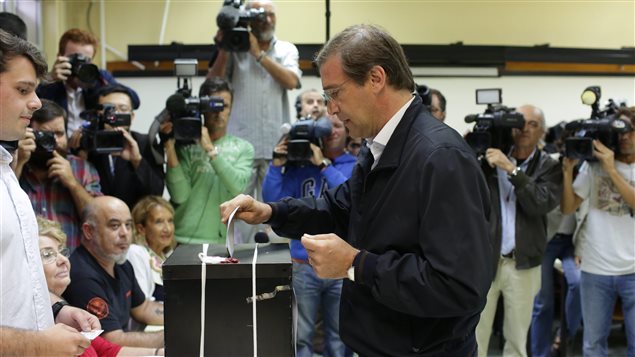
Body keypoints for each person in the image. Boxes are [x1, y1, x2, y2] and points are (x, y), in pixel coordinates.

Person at [220, 24, 492, 356]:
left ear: (376, 78)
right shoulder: (379, 148)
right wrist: (271, 211)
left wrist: (355, 264)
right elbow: (338, 209)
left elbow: (459, 287)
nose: (330, 109)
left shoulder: (441, 158)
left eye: (335, 92)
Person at [0, 28, 98, 356]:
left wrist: (54, 311)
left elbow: (14, 276)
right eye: (23, 89)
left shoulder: (5, 168)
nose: (37, 102)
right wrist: (38, 343)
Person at [262, 92, 355, 356]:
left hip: (340, 266)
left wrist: (323, 165)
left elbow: (352, 197)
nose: (333, 132)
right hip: (303, 265)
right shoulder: (297, 166)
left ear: (347, 129)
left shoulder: (352, 165)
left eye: (338, 126)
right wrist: (276, 163)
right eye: (329, 128)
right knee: (301, 336)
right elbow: (271, 200)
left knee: (338, 336)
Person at [475, 105, 562, 357]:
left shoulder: (549, 166)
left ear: (542, 132)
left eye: (532, 124)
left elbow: (540, 203)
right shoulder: (487, 160)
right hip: (486, 261)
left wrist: (512, 170)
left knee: (516, 339)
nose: (524, 129)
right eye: (519, 123)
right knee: (475, 334)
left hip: (522, 264)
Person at [207, 0, 302, 210]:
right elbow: (212, 83)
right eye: (261, 15)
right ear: (249, 19)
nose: (267, 20)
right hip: (241, 147)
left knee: (276, 210)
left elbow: (292, 81)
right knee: (240, 213)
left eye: (271, 15)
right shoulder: (234, 50)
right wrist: (225, 46)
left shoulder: (286, 49)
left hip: (275, 146)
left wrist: (258, 54)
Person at [561, 107, 635, 356]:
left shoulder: (607, 166)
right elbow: (569, 207)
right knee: (593, 344)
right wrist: (568, 171)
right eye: (619, 133)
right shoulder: (593, 168)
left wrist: (612, 169)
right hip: (595, 269)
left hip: (633, 270)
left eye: (630, 132)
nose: (624, 137)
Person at [37, 216, 165, 356]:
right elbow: (113, 341)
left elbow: (107, 350)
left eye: (61, 251)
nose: (63, 260)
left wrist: (160, 353)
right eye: (48, 255)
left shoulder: (64, 311)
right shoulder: (34, 324)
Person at [63, 196, 165, 348]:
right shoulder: (82, 277)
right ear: (89, 231)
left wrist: (186, 314)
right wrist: (174, 335)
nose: (125, 233)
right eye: (115, 226)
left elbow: (143, 308)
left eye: (128, 225)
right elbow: (112, 341)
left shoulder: (121, 263)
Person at [163, 76, 254, 244]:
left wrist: (210, 150)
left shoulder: (244, 148)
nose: (218, 112)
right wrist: (169, 146)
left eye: (224, 106)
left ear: (231, 109)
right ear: (202, 107)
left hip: (220, 241)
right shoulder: (185, 145)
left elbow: (237, 187)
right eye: (212, 105)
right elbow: (179, 196)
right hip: (181, 238)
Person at [17, 98, 103, 249]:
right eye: (46, 135)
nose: (55, 141)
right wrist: (19, 163)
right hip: (22, 262)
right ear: (28, 133)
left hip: (71, 264)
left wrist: (73, 184)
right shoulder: (12, 163)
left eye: (60, 133)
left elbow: (99, 219)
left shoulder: (82, 168)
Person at [36, 28, 140, 137]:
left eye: (86, 61)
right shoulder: (49, 83)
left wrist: (95, 81)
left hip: (90, 149)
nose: (80, 66)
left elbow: (135, 100)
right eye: (74, 59)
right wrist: (49, 79)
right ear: (59, 56)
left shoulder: (99, 78)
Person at [76, 84, 165, 209]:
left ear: (132, 116)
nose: (115, 115)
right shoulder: (88, 144)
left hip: (134, 222)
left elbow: (156, 194)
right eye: (109, 109)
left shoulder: (144, 142)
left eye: (123, 109)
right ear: (98, 114)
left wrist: (137, 160)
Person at [128, 196, 176, 301]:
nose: (167, 228)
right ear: (141, 228)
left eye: (170, 221)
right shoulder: (136, 253)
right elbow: (142, 304)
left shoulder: (169, 255)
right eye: (159, 222)